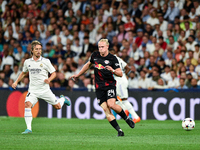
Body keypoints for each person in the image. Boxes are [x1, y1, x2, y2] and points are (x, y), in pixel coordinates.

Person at [70, 39, 135, 137]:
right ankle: (120, 131)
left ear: (107, 46)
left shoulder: (113, 58)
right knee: (106, 109)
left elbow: (120, 73)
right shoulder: (95, 56)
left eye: (102, 47)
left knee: (111, 105)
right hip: (99, 87)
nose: (100, 49)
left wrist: (113, 70)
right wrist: (78, 75)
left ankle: (126, 119)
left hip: (109, 85)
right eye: (99, 47)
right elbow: (88, 65)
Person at [12, 41, 71, 134]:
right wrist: (16, 82)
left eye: (40, 49)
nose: (39, 51)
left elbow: (54, 73)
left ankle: (63, 99)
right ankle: (28, 129)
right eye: (36, 49)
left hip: (45, 90)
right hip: (33, 91)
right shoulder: (27, 62)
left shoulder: (46, 61)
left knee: (58, 107)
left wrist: (49, 80)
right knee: (27, 104)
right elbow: (23, 73)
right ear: (32, 50)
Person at [109, 48, 141, 123]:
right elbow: (128, 68)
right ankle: (127, 111)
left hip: (120, 81)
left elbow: (127, 69)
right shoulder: (118, 59)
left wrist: (122, 77)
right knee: (114, 97)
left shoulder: (111, 60)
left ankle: (133, 115)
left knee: (123, 99)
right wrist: (124, 76)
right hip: (121, 80)